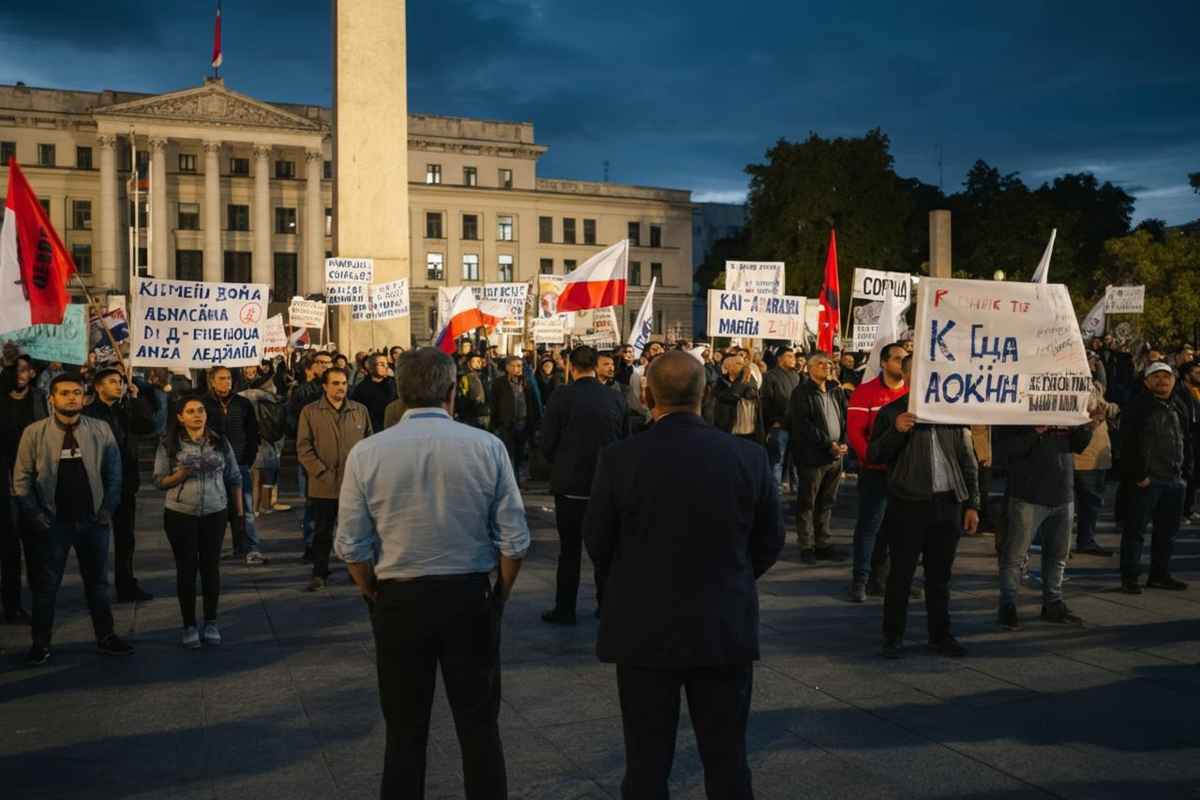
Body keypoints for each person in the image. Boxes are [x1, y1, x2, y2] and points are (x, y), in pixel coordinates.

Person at [583, 351, 784, 798]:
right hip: (722, 623)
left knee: (646, 764)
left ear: (645, 394)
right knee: (727, 760)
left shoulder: (619, 459)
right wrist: (731, 575)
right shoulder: (748, 457)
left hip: (643, 628)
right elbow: (770, 542)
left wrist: (635, 578)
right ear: (706, 392)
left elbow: (598, 542)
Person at [336, 347, 529, 799]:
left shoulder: (367, 453)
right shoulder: (487, 447)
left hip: (399, 598)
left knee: (404, 733)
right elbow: (514, 540)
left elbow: (351, 546)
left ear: (400, 394)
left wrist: (371, 593)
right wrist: (500, 594)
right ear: (450, 392)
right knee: (480, 728)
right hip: (469, 595)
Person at [13, 373, 133, 665]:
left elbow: (115, 474)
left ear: (84, 397)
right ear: (51, 399)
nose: (71, 398)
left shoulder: (100, 430)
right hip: (52, 524)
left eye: (77, 393)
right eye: (64, 393)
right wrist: (35, 514)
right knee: (46, 588)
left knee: (99, 585)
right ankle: (40, 644)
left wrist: (107, 510)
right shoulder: (34, 433)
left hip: (93, 522)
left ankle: (106, 637)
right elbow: (21, 479)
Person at [868, 355, 979, 659]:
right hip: (908, 503)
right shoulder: (892, 412)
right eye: (918, 374)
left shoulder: (950, 411)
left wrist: (972, 504)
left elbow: (968, 460)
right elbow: (875, 454)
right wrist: (897, 430)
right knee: (901, 575)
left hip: (948, 503)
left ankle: (940, 635)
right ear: (906, 377)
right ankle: (893, 636)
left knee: (940, 577)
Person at [540, 346, 629, 625]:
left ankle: (565, 609)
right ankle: (608, 606)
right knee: (605, 550)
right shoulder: (615, 397)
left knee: (569, 551)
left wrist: (561, 462)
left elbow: (547, 441)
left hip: (570, 486)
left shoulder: (562, 396)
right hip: (605, 484)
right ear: (595, 365)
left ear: (571, 366)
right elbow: (624, 440)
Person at [153, 396, 244, 648]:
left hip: (215, 512)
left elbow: (235, 477)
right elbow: (159, 481)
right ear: (180, 417)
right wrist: (180, 475)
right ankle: (189, 624)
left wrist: (239, 516)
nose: (197, 415)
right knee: (186, 570)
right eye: (190, 411)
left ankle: (211, 621)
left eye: (201, 410)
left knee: (210, 568)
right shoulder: (168, 444)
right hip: (180, 513)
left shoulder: (219, 442)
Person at [994, 418, 1096, 631]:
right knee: (1014, 556)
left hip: (1062, 491)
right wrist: (1036, 431)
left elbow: (1080, 445)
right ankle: (1007, 607)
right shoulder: (1015, 411)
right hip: (1027, 494)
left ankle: (1053, 603)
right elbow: (1005, 450)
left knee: (1058, 554)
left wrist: (1084, 425)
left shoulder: (1065, 410)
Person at [83, 367, 156, 602]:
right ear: (98, 386)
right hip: (97, 483)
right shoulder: (89, 413)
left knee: (125, 538)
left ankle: (126, 585)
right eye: (113, 381)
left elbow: (147, 426)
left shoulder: (126, 409)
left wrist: (136, 399)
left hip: (125, 482)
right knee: (94, 541)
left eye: (121, 382)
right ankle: (95, 588)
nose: (119, 385)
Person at [297, 366, 372, 592]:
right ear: (325, 386)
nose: (340, 388)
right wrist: (321, 472)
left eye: (343, 383)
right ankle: (320, 572)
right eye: (335, 383)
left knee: (355, 531)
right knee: (323, 530)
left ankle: (355, 570)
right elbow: (304, 447)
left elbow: (369, 444)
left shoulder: (359, 410)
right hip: (324, 485)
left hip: (354, 485)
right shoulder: (310, 412)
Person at [1119, 362, 1192, 593]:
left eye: (1166, 376)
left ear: (1173, 380)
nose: (1162, 380)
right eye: (1156, 376)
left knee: (1167, 533)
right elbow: (1127, 444)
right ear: (1146, 381)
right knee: (1135, 532)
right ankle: (1130, 578)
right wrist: (1140, 475)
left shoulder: (1179, 404)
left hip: (1174, 479)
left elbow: (1187, 438)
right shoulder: (1137, 406)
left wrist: (1186, 471)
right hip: (1147, 481)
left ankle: (1159, 575)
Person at [845, 343, 908, 601]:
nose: (901, 364)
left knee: (897, 529)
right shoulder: (865, 392)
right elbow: (856, 433)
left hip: (903, 474)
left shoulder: (911, 393)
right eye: (896, 359)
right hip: (875, 472)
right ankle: (860, 579)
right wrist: (871, 459)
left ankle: (883, 579)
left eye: (905, 360)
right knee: (869, 526)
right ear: (883, 363)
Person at [788, 352, 848, 564]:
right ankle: (807, 545)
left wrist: (843, 442)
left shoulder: (835, 390)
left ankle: (823, 542)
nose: (826, 366)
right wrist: (828, 444)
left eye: (829, 363)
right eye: (820, 364)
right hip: (813, 457)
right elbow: (803, 425)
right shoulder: (801, 392)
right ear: (810, 368)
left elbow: (844, 417)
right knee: (808, 502)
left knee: (827, 502)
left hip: (835, 457)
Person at [202, 366, 264, 565]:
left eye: (228, 378)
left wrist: (248, 458)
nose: (226, 382)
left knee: (245, 509)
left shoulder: (242, 403)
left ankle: (250, 548)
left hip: (240, 464)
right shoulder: (203, 404)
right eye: (221, 378)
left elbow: (253, 433)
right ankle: (211, 550)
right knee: (214, 510)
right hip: (213, 466)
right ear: (212, 381)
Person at [0, 355, 46, 624]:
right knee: (8, 545)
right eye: (16, 369)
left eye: (27, 369)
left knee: (37, 541)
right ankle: (12, 604)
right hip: (4, 477)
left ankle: (41, 598)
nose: (22, 373)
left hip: (34, 476)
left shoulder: (39, 398)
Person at [289, 352, 331, 562]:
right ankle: (310, 545)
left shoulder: (338, 388)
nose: (326, 366)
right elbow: (294, 422)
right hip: (310, 454)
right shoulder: (303, 391)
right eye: (321, 363)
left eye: (328, 363)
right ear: (312, 367)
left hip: (334, 455)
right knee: (312, 502)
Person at [1074, 378, 1118, 555]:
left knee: (1090, 504)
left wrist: (1111, 409)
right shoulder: (1073, 384)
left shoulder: (1095, 385)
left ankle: (1086, 541)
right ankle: (1075, 542)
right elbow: (1094, 408)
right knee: (1082, 504)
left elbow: (1106, 407)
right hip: (1081, 457)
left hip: (1096, 457)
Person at [489, 356, 538, 477]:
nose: (518, 369)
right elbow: (494, 403)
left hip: (523, 422)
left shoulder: (527, 382)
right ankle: (509, 478)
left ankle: (519, 478)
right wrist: (495, 422)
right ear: (507, 367)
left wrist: (533, 421)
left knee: (521, 452)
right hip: (506, 423)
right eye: (515, 366)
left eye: (520, 366)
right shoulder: (499, 383)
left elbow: (533, 402)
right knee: (508, 452)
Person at [761, 347, 801, 490]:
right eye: (789, 356)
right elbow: (765, 401)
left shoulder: (796, 376)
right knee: (777, 459)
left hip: (795, 425)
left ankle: (796, 488)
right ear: (780, 359)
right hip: (779, 426)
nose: (793, 359)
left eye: (793, 356)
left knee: (796, 459)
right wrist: (773, 421)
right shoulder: (769, 376)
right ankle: (774, 489)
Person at [710, 349, 764, 444]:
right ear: (729, 368)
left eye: (742, 364)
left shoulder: (749, 378)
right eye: (738, 364)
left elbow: (751, 391)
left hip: (751, 432)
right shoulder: (721, 383)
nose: (743, 366)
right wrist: (742, 376)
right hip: (730, 431)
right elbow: (732, 395)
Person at [351, 352, 399, 434]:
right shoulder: (361, 389)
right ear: (371, 367)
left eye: (386, 363)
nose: (385, 366)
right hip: (373, 430)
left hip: (394, 428)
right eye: (381, 364)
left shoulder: (395, 384)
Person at [456, 353, 491, 430]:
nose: (477, 364)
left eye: (479, 361)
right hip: (471, 416)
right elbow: (462, 398)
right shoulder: (465, 378)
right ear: (469, 364)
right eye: (474, 361)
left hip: (485, 414)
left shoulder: (485, 378)